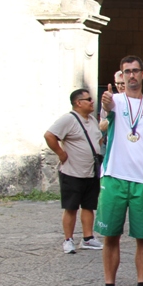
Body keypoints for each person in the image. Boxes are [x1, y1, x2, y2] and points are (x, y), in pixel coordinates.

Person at [91, 56, 143, 286]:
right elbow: (105, 117)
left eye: (135, 71)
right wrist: (105, 104)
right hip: (114, 177)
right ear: (121, 76)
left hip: (142, 182)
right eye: (127, 72)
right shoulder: (114, 101)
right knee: (110, 235)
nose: (131, 76)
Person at [45, 88, 105, 254]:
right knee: (71, 207)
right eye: (88, 99)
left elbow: (97, 138)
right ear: (78, 103)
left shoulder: (92, 120)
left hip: (91, 171)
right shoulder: (68, 119)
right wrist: (61, 153)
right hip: (72, 172)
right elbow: (49, 135)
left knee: (89, 205)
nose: (92, 101)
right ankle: (68, 239)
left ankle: (88, 238)